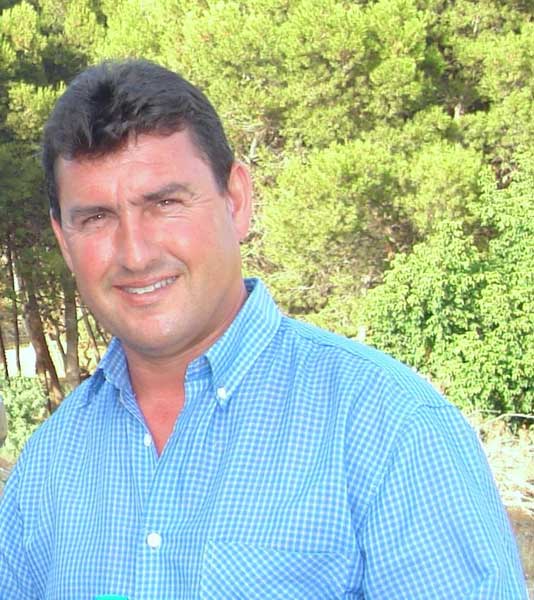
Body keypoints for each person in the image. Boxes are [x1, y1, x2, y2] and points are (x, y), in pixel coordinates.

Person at [0, 59, 527, 600]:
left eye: (165, 203)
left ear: (236, 201)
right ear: (64, 241)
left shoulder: (392, 431)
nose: (135, 253)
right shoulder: (47, 469)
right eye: (96, 218)